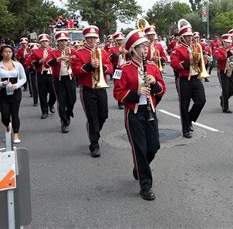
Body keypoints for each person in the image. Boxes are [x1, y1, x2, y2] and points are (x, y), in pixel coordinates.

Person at [113, 29, 166, 201]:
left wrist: (155, 83)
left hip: (149, 111)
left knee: (154, 146)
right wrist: (136, 92)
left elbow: (162, 88)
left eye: (145, 46)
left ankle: (139, 167)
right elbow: (118, 93)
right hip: (134, 114)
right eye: (141, 46)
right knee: (140, 149)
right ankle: (145, 185)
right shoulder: (123, 68)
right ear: (133, 49)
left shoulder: (151, 66)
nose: (145, 49)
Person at [71, 26, 114, 157]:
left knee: (103, 115)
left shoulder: (103, 52)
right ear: (85, 39)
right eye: (89, 38)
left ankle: (93, 132)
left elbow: (111, 68)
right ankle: (94, 144)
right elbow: (75, 70)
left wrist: (101, 65)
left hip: (101, 87)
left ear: (97, 39)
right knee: (92, 117)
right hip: (87, 88)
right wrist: (89, 66)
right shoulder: (79, 53)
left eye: (94, 38)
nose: (91, 40)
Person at [170, 20, 206, 138]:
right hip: (184, 79)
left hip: (196, 78)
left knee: (201, 101)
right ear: (182, 37)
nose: (190, 39)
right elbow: (174, 64)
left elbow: (201, 61)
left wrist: (204, 60)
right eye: (187, 37)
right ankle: (185, 128)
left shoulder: (196, 46)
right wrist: (188, 62)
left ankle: (189, 119)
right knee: (184, 105)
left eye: (191, 36)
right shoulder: (177, 49)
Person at [0, 45, 27, 143]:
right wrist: (1, 83)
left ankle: (16, 134)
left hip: (15, 92)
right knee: (5, 115)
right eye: (6, 52)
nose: (8, 54)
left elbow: (24, 78)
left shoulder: (18, 65)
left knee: (15, 114)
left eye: (10, 52)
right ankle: (8, 125)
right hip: (3, 92)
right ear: (2, 53)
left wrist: (17, 85)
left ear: (12, 53)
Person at [45, 32, 77, 133]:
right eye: (61, 41)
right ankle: (64, 122)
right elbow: (47, 64)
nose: (63, 42)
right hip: (58, 80)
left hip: (70, 78)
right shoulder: (53, 52)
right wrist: (58, 59)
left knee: (72, 100)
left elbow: (78, 62)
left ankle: (68, 113)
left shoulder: (73, 51)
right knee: (61, 101)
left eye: (65, 40)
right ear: (57, 42)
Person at [26, 34, 56, 119]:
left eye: (46, 41)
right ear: (40, 42)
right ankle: (44, 111)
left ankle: (50, 104)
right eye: (43, 41)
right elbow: (29, 63)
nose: (45, 43)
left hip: (51, 75)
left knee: (54, 93)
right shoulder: (35, 51)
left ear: (49, 42)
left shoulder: (53, 51)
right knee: (42, 94)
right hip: (41, 75)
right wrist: (39, 61)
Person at [213, 34, 233, 113]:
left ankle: (223, 98)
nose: (229, 44)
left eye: (230, 42)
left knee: (232, 88)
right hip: (222, 71)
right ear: (223, 42)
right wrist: (227, 55)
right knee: (225, 89)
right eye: (227, 42)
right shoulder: (218, 49)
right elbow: (219, 59)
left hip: (231, 69)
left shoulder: (232, 49)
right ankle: (225, 107)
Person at [108, 32, 127, 109]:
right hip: (117, 69)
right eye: (118, 40)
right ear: (115, 40)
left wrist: (127, 52)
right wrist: (119, 53)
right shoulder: (112, 49)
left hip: (126, 68)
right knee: (119, 85)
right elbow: (110, 58)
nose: (120, 41)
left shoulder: (126, 48)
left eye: (121, 40)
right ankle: (120, 102)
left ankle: (126, 100)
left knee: (127, 85)